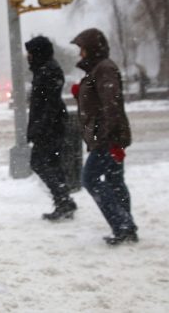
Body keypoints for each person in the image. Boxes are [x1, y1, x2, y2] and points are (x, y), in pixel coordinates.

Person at [71, 28, 138, 245]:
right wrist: (80, 93)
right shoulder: (99, 69)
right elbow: (100, 99)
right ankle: (126, 227)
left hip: (107, 138)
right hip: (108, 136)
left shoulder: (104, 69)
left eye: (82, 48)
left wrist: (113, 141)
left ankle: (123, 225)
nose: (80, 53)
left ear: (90, 48)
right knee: (115, 181)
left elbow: (111, 105)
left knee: (90, 179)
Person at [25, 36, 77, 221]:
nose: (28, 57)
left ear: (38, 53)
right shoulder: (45, 70)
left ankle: (63, 199)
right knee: (52, 164)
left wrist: (39, 128)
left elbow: (49, 104)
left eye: (30, 53)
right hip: (50, 126)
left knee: (38, 162)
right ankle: (64, 200)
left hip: (49, 128)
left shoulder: (48, 71)